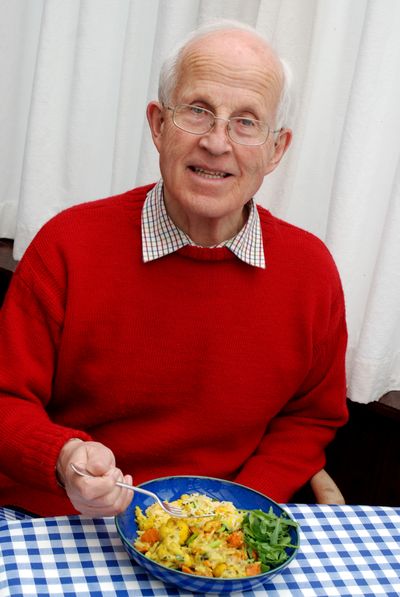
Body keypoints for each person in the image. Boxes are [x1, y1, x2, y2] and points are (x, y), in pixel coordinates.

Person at [0, 20, 348, 517]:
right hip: (68, 519)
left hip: (224, 532)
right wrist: (64, 459)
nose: (217, 141)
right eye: (198, 111)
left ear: (277, 149)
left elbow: (310, 418)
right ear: (159, 125)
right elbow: (5, 397)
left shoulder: (311, 271)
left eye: (246, 121)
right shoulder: (68, 245)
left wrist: (237, 508)